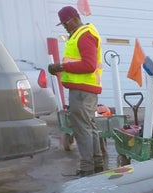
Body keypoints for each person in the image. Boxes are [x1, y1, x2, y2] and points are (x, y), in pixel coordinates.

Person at [48, 6, 104, 176]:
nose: (65, 27)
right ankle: (97, 165)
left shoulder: (84, 35)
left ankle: (87, 168)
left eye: (66, 23)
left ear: (75, 18)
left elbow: (89, 65)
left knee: (82, 129)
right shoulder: (80, 34)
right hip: (84, 90)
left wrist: (61, 66)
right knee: (89, 127)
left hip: (82, 91)